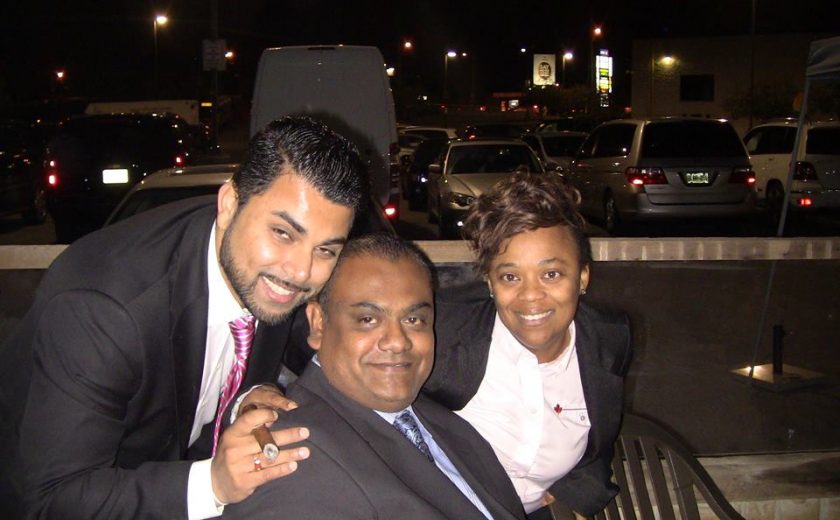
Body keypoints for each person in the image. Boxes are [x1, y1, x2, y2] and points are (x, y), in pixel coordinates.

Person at [4, 116, 369, 519]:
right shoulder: (104, 310)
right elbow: (54, 499)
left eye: (326, 250)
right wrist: (214, 483)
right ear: (230, 204)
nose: (301, 272)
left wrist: (244, 399)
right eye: (283, 233)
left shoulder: (255, 262)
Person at [223, 234, 526, 520]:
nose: (397, 341)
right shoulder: (292, 459)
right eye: (367, 319)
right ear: (318, 324)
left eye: (413, 319)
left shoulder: (446, 423)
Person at [423, 172, 633, 519]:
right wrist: (304, 402)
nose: (531, 296)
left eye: (551, 274)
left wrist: (580, 494)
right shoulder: (444, 331)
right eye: (510, 276)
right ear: (489, 281)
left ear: (582, 277)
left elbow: (600, 439)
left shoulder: (608, 340)